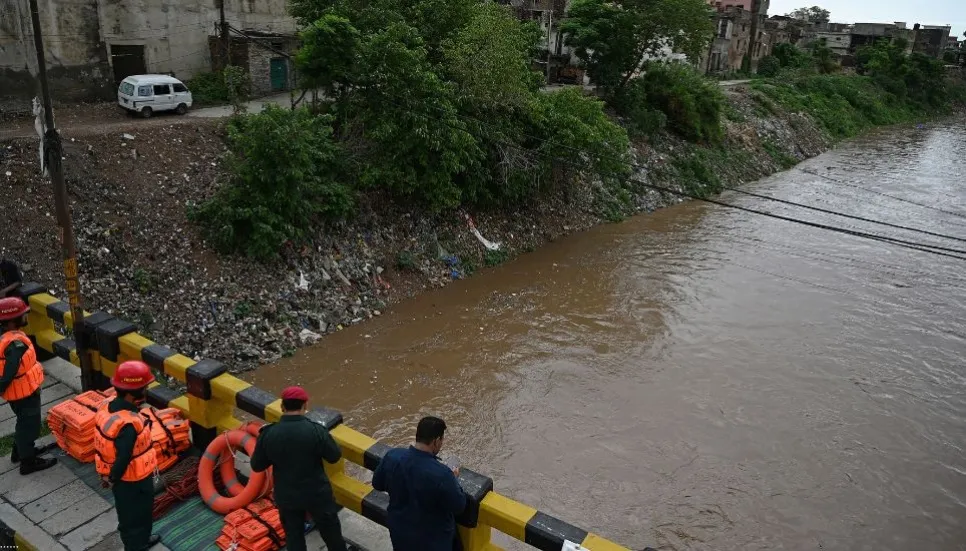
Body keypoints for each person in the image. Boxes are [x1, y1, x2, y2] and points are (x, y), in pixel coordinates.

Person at [251, 386, 351, 551]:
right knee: (332, 535)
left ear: (282, 406)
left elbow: (257, 465)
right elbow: (334, 457)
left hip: (287, 496)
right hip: (317, 494)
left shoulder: (268, 434)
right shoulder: (316, 431)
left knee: (294, 537)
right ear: (305, 405)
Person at [372, 416, 467, 551]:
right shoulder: (442, 475)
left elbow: (377, 484)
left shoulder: (393, 456)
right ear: (436, 441)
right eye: (442, 440)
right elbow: (459, 505)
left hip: (400, 533)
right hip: (433, 542)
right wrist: (454, 480)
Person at [94, 360, 161, 551]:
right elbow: (123, 457)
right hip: (132, 480)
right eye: (144, 387)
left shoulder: (108, 407)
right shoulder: (128, 424)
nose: (146, 390)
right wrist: (114, 478)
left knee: (132, 513)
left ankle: (140, 541)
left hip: (124, 477)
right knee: (136, 515)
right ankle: (135, 546)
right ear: (133, 393)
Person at [0, 297, 56, 474]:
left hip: (19, 392)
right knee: (29, 426)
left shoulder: (8, 338)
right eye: (22, 314)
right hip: (24, 394)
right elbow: (8, 372)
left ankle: (21, 451)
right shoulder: (15, 344)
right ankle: (28, 462)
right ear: (11, 321)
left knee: (23, 422)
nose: (26, 317)